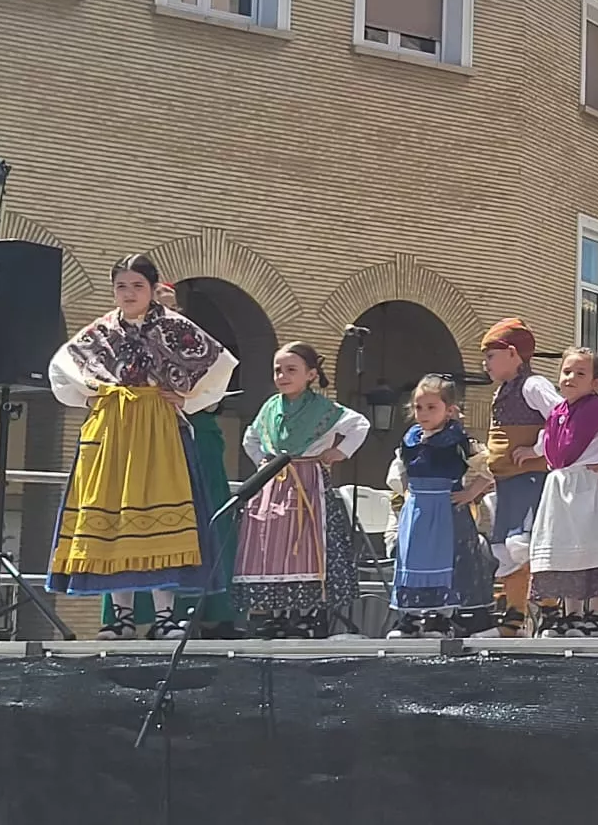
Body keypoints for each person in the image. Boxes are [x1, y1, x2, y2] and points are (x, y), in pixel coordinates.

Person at [47, 254, 239, 640]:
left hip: (159, 428)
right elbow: (61, 367)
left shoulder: (174, 327)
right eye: (122, 286)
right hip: (113, 429)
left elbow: (221, 365)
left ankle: (166, 617)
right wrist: (89, 400)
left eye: (137, 286)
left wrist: (188, 400)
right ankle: (120, 617)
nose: (129, 293)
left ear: (153, 289)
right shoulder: (100, 332)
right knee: (116, 517)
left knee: (160, 515)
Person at [99, 281, 246, 638]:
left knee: (204, 519)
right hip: (140, 434)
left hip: (194, 437)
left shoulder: (188, 341)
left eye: (169, 305)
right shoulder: (119, 337)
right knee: (136, 519)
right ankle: (131, 616)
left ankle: (209, 612)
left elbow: (213, 387)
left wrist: (185, 397)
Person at [231, 342, 371, 638]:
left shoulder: (323, 408)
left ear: (310, 374)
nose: (282, 375)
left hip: (308, 483)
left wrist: (340, 452)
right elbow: (250, 437)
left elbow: (359, 424)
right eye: (278, 370)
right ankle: (274, 614)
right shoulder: (270, 407)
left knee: (307, 544)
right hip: (273, 485)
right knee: (271, 548)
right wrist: (264, 465)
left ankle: (307, 614)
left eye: (291, 370)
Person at [528, 347, 598, 637]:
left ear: (595, 383)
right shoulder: (558, 412)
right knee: (566, 552)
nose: (570, 377)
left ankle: (595, 617)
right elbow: (547, 441)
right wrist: (531, 451)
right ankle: (571, 615)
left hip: (589, 486)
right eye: (567, 371)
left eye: (580, 373)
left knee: (594, 551)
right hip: (560, 489)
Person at [387, 374, 497, 637]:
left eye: (431, 407)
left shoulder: (457, 440)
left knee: (445, 561)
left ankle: (439, 618)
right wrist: (406, 493)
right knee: (414, 559)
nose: (423, 413)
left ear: (449, 410)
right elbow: (400, 469)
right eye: (418, 407)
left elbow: (489, 466)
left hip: (446, 510)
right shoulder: (411, 438)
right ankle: (411, 617)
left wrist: (470, 492)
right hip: (418, 510)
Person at [478, 318, 561, 637]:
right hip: (506, 484)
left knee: (525, 545)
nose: (485, 363)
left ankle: (551, 611)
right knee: (504, 548)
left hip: (529, 482)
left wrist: (538, 449)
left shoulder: (532, 385)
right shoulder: (503, 391)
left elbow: (559, 416)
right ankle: (514, 617)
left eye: (490, 355)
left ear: (513, 354)